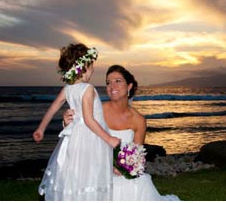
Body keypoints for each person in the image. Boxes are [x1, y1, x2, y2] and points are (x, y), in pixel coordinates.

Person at [63, 65, 179, 201]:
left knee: (141, 183)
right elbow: (78, 134)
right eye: (108, 82)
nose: (112, 86)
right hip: (95, 169)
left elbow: (137, 157)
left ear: (129, 86)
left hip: (121, 173)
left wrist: (125, 168)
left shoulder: (139, 120)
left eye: (117, 81)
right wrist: (67, 122)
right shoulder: (96, 110)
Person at [33, 43, 120, 201]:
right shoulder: (88, 88)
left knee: (76, 174)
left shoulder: (68, 88)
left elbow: (53, 108)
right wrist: (109, 139)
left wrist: (41, 129)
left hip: (74, 138)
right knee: (91, 174)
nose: (93, 69)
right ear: (85, 66)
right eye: (92, 65)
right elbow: (88, 120)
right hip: (91, 138)